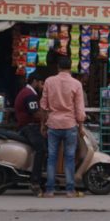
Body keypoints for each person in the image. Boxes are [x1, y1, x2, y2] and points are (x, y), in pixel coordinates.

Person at [39, 55, 86, 198]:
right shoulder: (76, 84)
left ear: (58, 67)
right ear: (70, 67)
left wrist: (43, 124)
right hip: (70, 124)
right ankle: (70, 190)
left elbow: (43, 105)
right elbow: (79, 108)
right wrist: (81, 126)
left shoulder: (49, 81)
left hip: (53, 124)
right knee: (69, 157)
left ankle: (49, 190)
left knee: (51, 157)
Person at [13, 72, 46, 194]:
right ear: (35, 82)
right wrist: (48, 118)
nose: (42, 86)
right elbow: (35, 113)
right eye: (41, 83)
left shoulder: (28, 93)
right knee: (41, 149)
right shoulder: (29, 94)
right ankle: (35, 181)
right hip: (29, 127)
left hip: (28, 126)